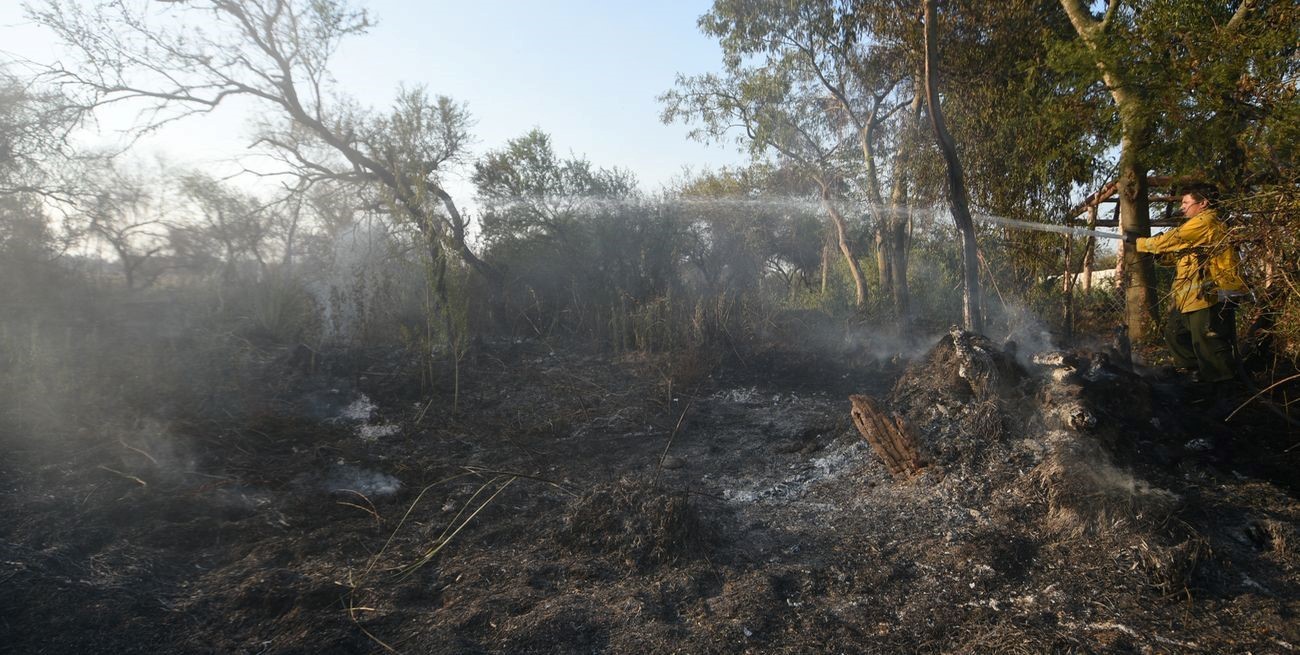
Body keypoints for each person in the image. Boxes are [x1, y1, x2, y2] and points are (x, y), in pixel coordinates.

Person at [1125, 184, 1247, 386]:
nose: (1182, 207)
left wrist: (1142, 243)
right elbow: (1182, 255)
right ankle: (1195, 375)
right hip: (1190, 297)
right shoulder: (1198, 228)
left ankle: (1223, 387)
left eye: (1185, 202)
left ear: (1203, 203)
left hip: (1210, 295)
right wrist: (1158, 254)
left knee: (1207, 342)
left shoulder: (1206, 221)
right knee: (1174, 333)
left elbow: (1175, 238)